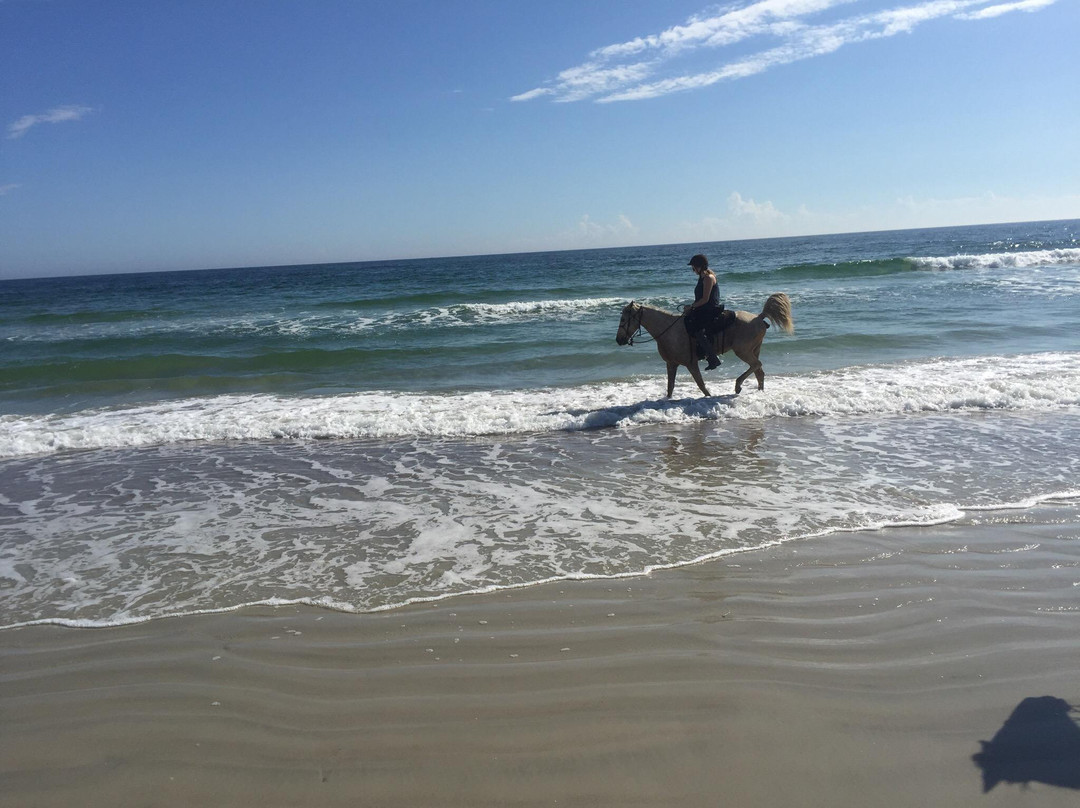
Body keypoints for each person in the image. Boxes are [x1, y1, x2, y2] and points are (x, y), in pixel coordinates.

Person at [683, 254, 722, 370]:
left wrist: (691, 306)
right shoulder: (702, 278)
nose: (692, 269)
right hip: (703, 308)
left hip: (710, 309)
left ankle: (713, 358)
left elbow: (705, 299)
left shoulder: (709, 278)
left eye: (693, 267)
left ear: (699, 266)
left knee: (698, 331)